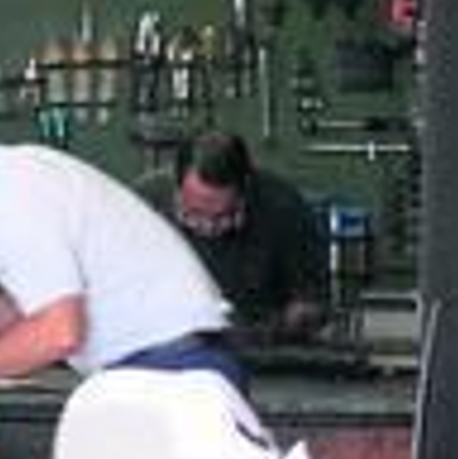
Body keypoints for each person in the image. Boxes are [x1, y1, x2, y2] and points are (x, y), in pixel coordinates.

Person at [0, 103, 244, 390]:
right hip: (173, 367)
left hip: (175, 373)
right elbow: (48, 293)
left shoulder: (13, 200)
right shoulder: (15, 181)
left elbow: (59, 331)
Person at [135, 130, 328, 344]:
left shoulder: (284, 209)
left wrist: (272, 329)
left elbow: (309, 303)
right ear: (177, 188)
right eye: (193, 215)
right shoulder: (143, 205)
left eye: (222, 217)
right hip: (165, 345)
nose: (207, 228)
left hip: (260, 351)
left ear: (245, 188)